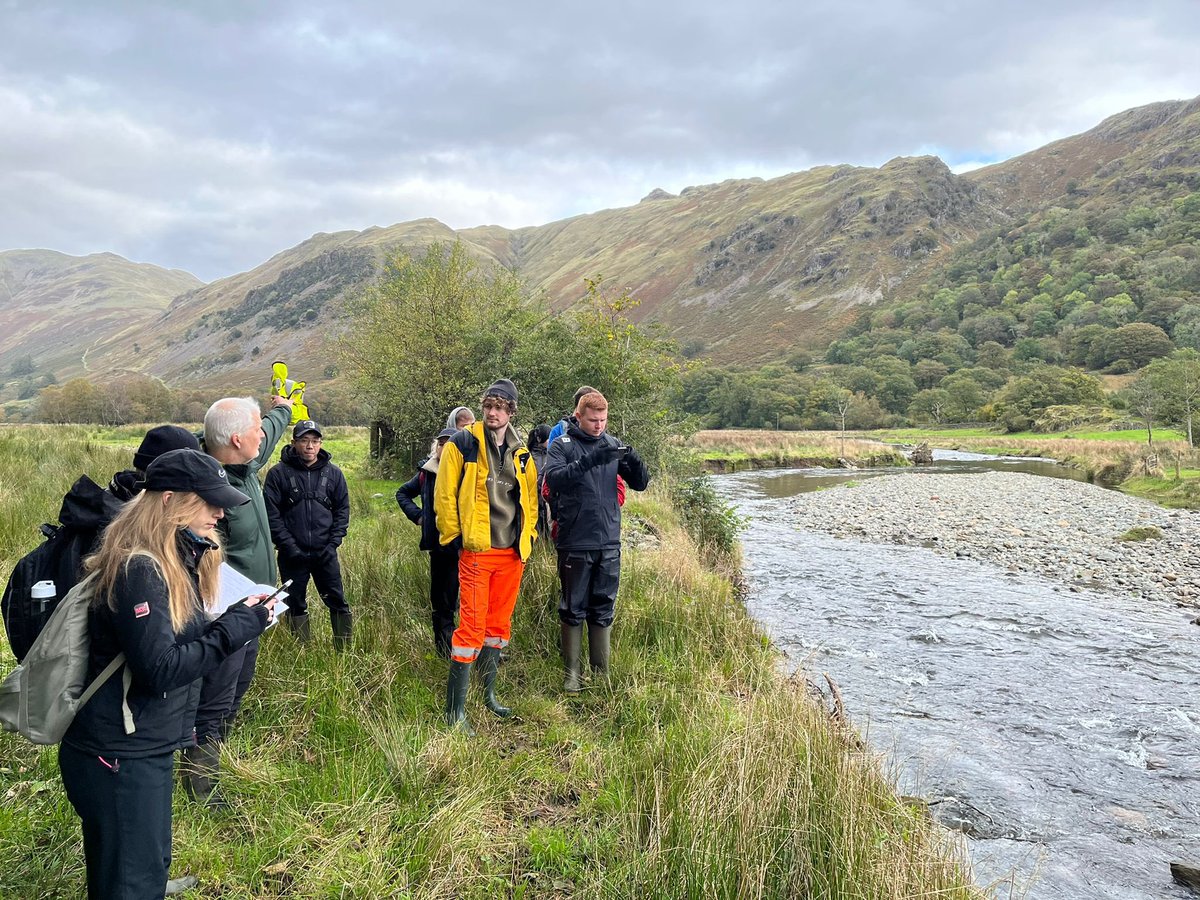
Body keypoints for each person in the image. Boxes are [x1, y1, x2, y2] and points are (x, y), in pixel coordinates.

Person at [58, 449, 277, 900]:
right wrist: (233, 631)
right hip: (119, 756)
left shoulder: (170, 560)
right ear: (169, 500)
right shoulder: (141, 568)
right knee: (131, 882)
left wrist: (230, 619)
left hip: (137, 748)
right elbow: (160, 670)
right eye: (209, 501)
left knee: (137, 866)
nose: (220, 512)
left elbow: (168, 644)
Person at [185, 394, 290, 805]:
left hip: (257, 610)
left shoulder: (245, 467)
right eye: (255, 430)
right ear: (233, 440)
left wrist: (282, 407)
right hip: (225, 614)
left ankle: (218, 761)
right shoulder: (208, 492)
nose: (262, 436)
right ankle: (201, 789)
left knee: (237, 690)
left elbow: (272, 431)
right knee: (214, 699)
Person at [433, 379, 538, 733]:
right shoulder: (462, 444)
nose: (492, 413)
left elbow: (532, 502)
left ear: (511, 411)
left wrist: (530, 537)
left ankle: (489, 696)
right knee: (471, 629)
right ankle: (455, 712)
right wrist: (455, 538)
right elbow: (444, 495)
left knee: (498, 628)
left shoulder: (521, 453)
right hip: (477, 550)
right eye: (488, 406)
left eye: (500, 407)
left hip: (511, 553)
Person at [542, 390, 650, 692]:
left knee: (603, 606)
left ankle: (601, 674)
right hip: (575, 539)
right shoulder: (562, 445)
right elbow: (554, 480)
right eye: (593, 420)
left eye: (603, 420)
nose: (598, 426)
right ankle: (572, 674)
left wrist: (633, 460)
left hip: (609, 540)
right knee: (573, 606)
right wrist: (590, 460)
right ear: (579, 417)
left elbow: (640, 484)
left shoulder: (613, 445)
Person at [263, 419, 352, 649]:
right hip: (292, 554)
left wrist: (333, 544)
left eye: (314, 441)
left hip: (325, 553)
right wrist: (290, 547)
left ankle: (344, 651)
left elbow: (342, 510)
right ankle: (302, 651)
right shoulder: (278, 475)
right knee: (295, 603)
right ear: (294, 443)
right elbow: (272, 516)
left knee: (338, 602)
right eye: (304, 441)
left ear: (321, 443)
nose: (310, 446)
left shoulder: (334, 474)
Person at [396, 427, 459, 657]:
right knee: (441, 601)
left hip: (463, 548)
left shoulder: (467, 471)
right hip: (439, 548)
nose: (445, 447)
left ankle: (469, 650)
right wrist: (419, 516)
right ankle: (444, 651)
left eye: (450, 443)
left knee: (462, 602)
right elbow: (402, 493)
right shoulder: (427, 471)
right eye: (441, 443)